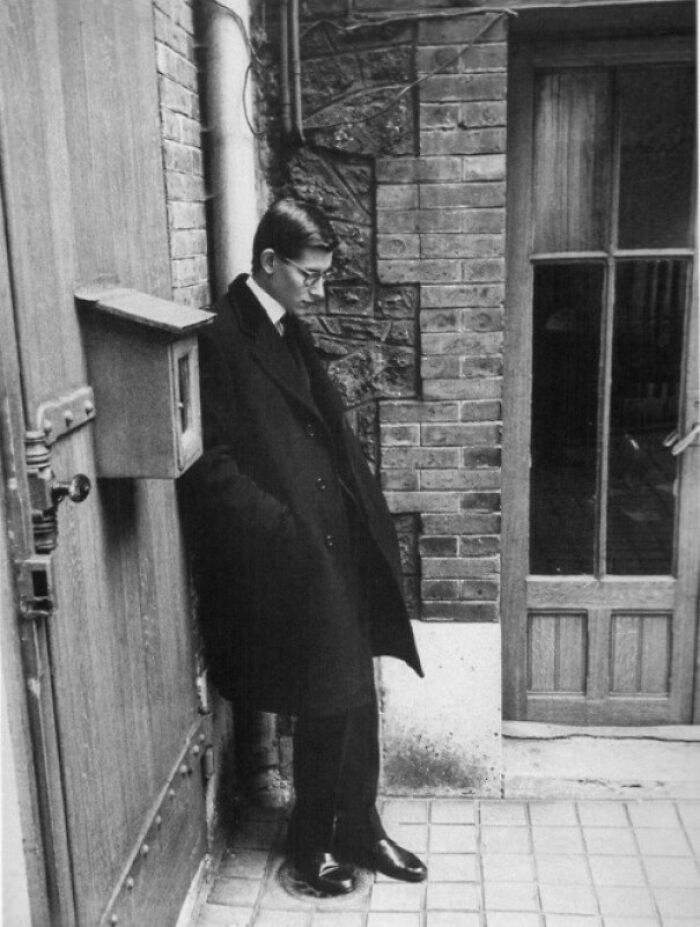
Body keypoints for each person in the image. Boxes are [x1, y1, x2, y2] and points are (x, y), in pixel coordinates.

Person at [189, 198, 426, 896]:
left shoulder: (286, 325)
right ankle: (308, 844)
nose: (319, 290)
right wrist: (284, 534)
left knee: (358, 690)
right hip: (291, 552)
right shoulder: (223, 338)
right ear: (268, 262)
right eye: (309, 274)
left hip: (336, 538)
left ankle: (359, 824)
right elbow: (210, 466)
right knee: (326, 693)